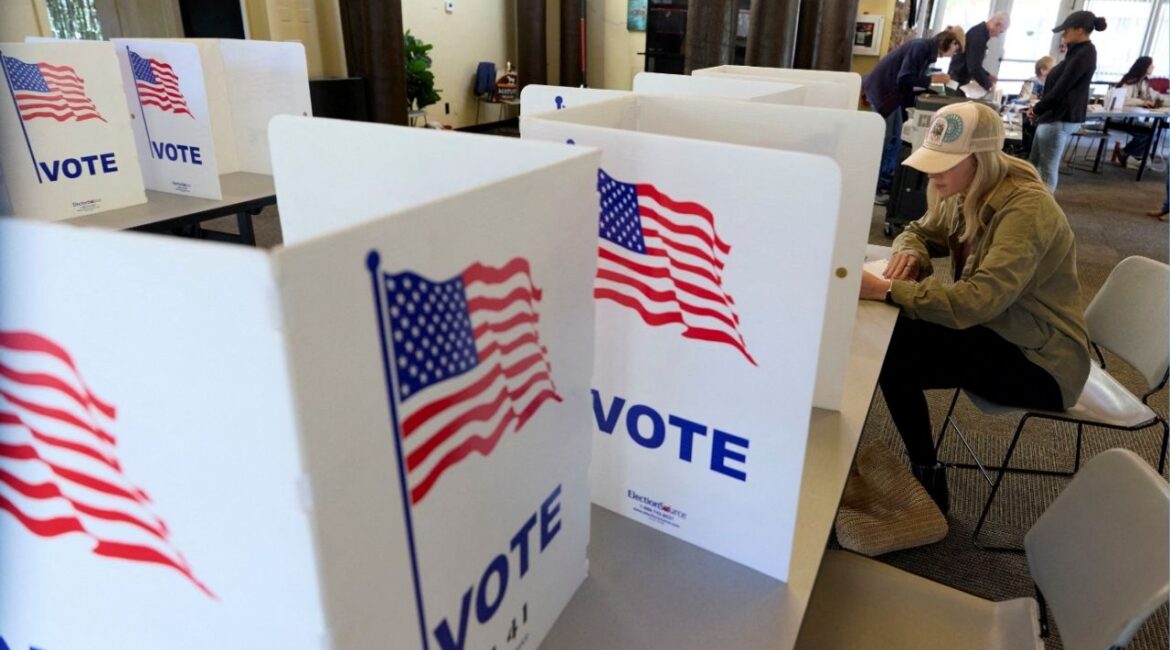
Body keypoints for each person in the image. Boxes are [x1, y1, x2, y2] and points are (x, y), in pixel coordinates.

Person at [859, 102, 1091, 512]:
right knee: (892, 346)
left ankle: (926, 473)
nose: (933, 173)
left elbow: (975, 302)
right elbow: (917, 231)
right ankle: (925, 470)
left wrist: (886, 290)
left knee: (893, 351)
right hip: (1003, 330)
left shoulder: (1026, 209)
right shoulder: (966, 189)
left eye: (945, 164)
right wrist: (912, 255)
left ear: (980, 160)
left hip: (1044, 363)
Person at [863, 28, 965, 205]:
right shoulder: (921, 48)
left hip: (888, 93)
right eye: (956, 50)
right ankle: (875, 189)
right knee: (886, 142)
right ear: (953, 43)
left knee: (894, 140)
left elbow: (910, 80)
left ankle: (883, 185)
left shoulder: (926, 49)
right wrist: (933, 80)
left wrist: (929, 85)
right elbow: (905, 79)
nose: (954, 54)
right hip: (884, 92)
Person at [1028, 11, 1107, 192]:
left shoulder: (1083, 54)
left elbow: (1061, 89)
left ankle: (1043, 214)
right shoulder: (1078, 53)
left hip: (1059, 118)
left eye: (1066, 31)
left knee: (1046, 173)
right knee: (1034, 168)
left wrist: (1037, 109)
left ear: (1079, 30)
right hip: (1054, 117)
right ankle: (1032, 208)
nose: (1063, 35)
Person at [1111, 56, 1165, 167]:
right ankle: (1128, 154)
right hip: (1120, 118)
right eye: (1151, 64)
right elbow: (1126, 100)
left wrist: (1163, 101)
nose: (1153, 67)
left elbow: (1155, 96)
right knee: (1147, 134)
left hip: (1131, 118)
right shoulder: (1130, 81)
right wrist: (1143, 102)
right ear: (1144, 66)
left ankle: (1126, 153)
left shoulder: (1143, 82)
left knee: (1152, 134)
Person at [949, 13, 1009, 97]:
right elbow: (974, 68)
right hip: (957, 80)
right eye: (1001, 31)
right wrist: (989, 86)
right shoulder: (978, 37)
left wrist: (987, 76)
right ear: (997, 25)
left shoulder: (979, 32)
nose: (998, 35)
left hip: (957, 78)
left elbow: (973, 61)